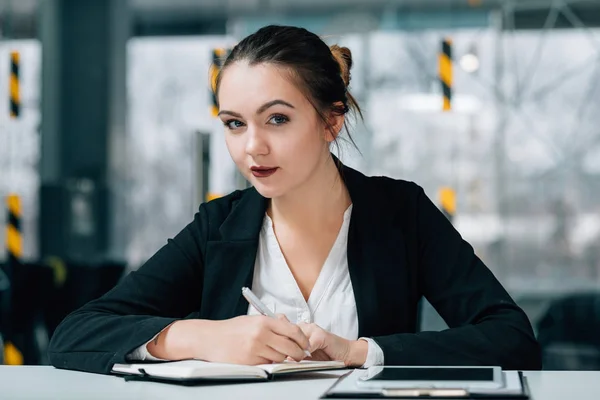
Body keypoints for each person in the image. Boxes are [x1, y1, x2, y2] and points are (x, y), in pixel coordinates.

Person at [48, 25, 542, 375]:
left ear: (332, 121)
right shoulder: (219, 225)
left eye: (277, 119)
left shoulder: (401, 213)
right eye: (235, 123)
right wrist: (206, 337)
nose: (252, 147)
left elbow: (512, 339)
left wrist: (359, 352)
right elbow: (75, 334)